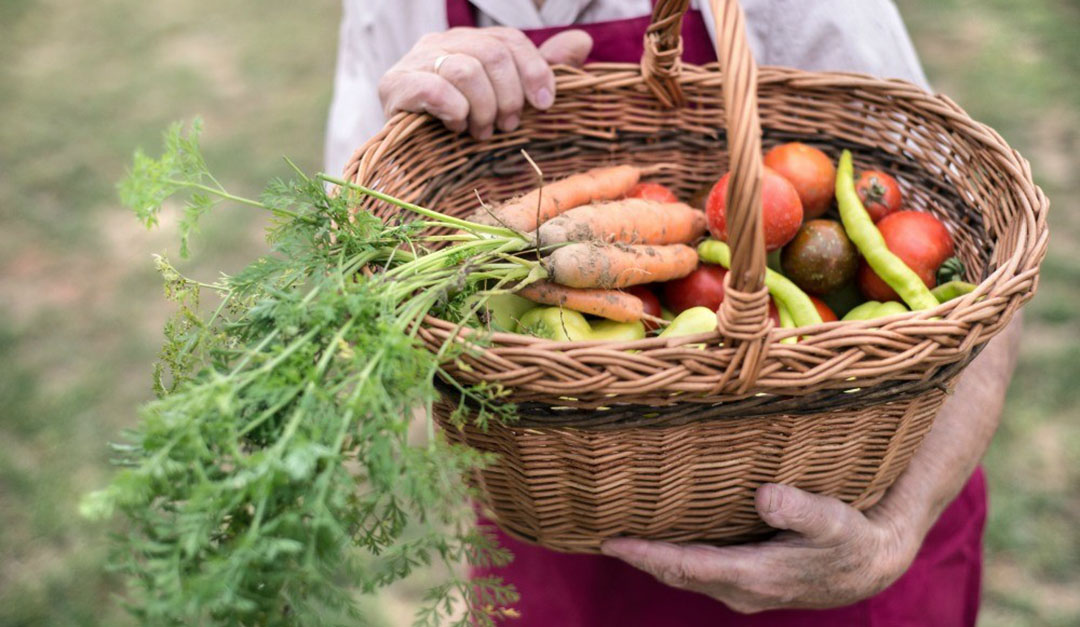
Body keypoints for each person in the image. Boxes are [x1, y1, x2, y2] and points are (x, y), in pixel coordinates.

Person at [324, 2, 1021, 624]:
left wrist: (894, 530)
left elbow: (982, 274)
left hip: (836, 538)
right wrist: (411, 122)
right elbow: (352, 249)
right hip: (559, 521)